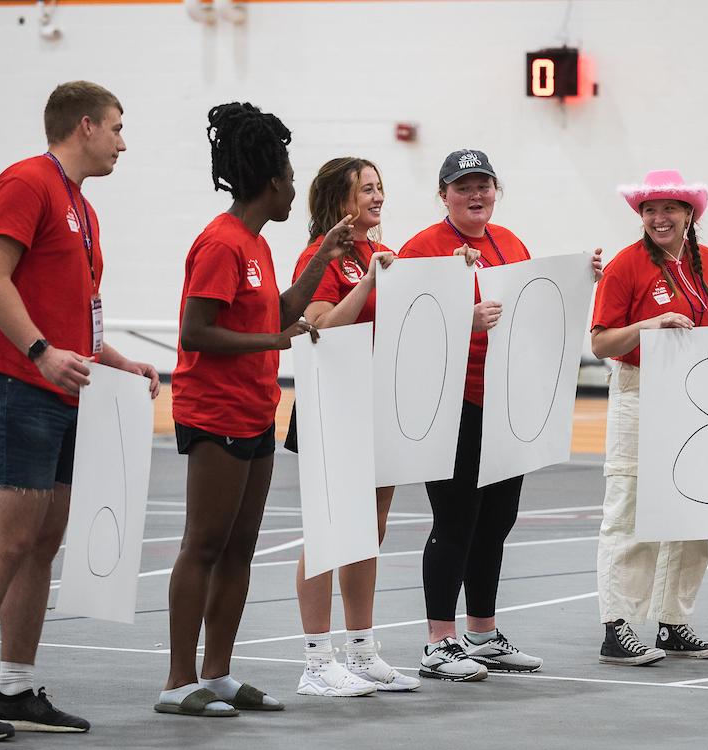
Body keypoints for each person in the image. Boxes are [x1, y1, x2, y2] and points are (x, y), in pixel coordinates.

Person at [0, 81, 159, 742]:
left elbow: (75, 317)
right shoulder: (26, 182)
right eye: (116, 127)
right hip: (17, 388)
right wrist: (39, 351)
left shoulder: (82, 206)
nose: (122, 141)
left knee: (42, 543)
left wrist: (119, 362)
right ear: (84, 126)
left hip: (62, 390)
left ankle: (16, 689)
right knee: (12, 540)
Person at [156, 102, 352, 716]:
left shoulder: (257, 246)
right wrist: (269, 342)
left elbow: (281, 310)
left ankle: (217, 674)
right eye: (291, 177)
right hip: (213, 412)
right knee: (204, 544)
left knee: (240, 546)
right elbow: (195, 332)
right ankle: (177, 680)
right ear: (272, 182)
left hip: (254, 408)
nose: (296, 188)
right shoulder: (220, 243)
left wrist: (325, 255)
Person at [398, 149, 603, 680]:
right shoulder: (422, 249)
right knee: (455, 522)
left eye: (484, 184)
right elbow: (405, 327)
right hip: (451, 403)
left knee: (496, 522)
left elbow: (534, 305)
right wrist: (462, 319)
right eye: (464, 185)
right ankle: (438, 642)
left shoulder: (509, 243)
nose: (476, 194)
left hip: (506, 403)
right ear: (444, 194)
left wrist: (581, 279)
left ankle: (482, 633)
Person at [590, 169, 708, 666]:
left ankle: (672, 622)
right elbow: (600, 343)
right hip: (640, 392)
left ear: (689, 215)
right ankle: (618, 627)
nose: (659, 218)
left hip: (696, 395)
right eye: (650, 210)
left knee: (692, 509)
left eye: (669, 209)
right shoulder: (625, 266)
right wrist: (649, 324)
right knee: (629, 506)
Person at [286, 157, 419, 696]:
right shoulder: (322, 255)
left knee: (369, 529)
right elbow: (316, 328)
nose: (378, 196)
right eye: (367, 189)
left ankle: (361, 649)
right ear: (340, 201)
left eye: (380, 187)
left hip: (375, 402)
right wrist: (366, 282)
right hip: (331, 404)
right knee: (329, 531)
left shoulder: (378, 253)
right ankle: (317, 661)